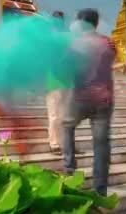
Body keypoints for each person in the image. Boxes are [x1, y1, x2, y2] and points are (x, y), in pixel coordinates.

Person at [62, 9, 115, 196]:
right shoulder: (108, 42)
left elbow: (66, 68)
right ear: (96, 23)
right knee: (101, 145)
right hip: (103, 99)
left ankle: (69, 170)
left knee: (67, 126)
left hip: (80, 97)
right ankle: (100, 190)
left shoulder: (74, 44)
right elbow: (111, 58)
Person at [45, 11, 75, 155]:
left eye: (61, 19)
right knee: (54, 115)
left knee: (66, 116)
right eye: (57, 20)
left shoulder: (67, 37)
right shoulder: (49, 39)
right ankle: (54, 143)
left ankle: (67, 144)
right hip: (54, 81)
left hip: (67, 81)